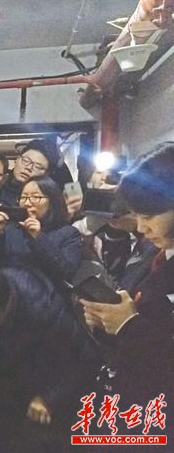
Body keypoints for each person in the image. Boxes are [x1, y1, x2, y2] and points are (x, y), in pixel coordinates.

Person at [80, 142, 174, 445]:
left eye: (148, 216)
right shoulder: (155, 253)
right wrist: (110, 322)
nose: (141, 227)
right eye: (137, 216)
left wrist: (127, 324)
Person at [0, 263, 99, 453]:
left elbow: (84, 361)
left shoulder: (46, 311)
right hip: (16, 366)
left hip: (54, 377)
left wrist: (49, 398)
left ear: (6, 305)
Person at [0, 175, 82, 288]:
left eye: (36, 197)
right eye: (24, 197)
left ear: (52, 201)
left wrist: (38, 237)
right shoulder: (11, 229)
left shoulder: (68, 233)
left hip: (47, 295)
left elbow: (67, 272)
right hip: (10, 293)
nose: (28, 203)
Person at [0, 139, 59, 206]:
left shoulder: (47, 201)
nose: (29, 168)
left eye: (38, 167)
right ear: (17, 159)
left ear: (47, 174)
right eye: (26, 160)